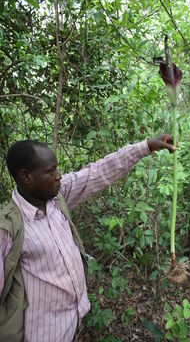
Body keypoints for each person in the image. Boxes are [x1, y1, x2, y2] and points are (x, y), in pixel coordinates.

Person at [0, 135, 176, 342]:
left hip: (70, 322)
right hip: (40, 333)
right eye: (50, 171)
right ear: (26, 177)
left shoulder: (58, 198)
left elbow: (98, 172)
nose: (58, 176)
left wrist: (145, 147)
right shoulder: (8, 228)